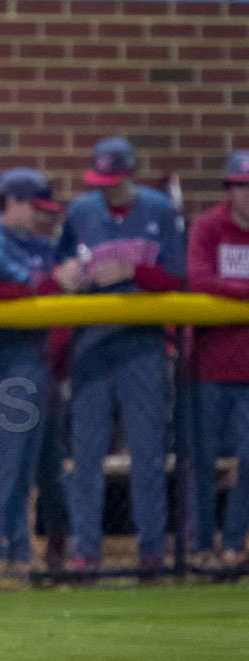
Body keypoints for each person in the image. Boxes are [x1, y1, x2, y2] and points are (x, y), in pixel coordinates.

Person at [56, 137, 186, 577]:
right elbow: (60, 269)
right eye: (101, 181)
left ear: (131, 173)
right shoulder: (81, 212)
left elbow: (179, 277)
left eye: (115, 180)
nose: (107, 189)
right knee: (86, 454)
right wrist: (67, 275)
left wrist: (134, 271)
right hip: (91, 343)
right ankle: (85, 552)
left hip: (142, 345)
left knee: (147, 453)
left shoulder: (159, 210)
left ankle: (152, 551)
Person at [0, 168, 83, 575]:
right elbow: (25, 284)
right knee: (4, 466)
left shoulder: (39, 243)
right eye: (34, 208)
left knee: (34, 469)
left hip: (41, 366)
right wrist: (55, 279)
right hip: (3, 367)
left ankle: (19, 553)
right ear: (12, 202)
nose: (40, 216)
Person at [186, 150, 249, 573]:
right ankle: (201, 545)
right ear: (229, 189)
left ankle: (234, 543)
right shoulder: (209, 226)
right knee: (201, 461)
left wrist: (232, 289)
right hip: (208, 366)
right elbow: (199, 280)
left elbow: (217, 284)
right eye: (242, 186)